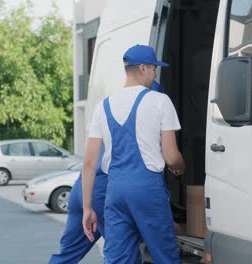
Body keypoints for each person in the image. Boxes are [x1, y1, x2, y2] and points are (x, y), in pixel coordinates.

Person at [82, 44, 185, 264]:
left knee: (119, 259)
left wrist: (87, 207)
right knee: (165, 257)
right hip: (147, 190)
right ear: (143, 68)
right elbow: (171, 157)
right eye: (154, 68)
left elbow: (89, 163)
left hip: (115, 191)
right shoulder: (159, 101)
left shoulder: (103, 106)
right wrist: (180, 165)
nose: (156, 72)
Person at [48, 81, 165, 264]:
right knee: (124, 253)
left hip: (82, 190)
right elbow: (147, 176)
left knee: (67, 255)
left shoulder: (115, 122)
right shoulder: (146, 131)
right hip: (103, 194)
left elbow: (90, 162)